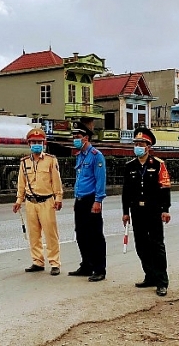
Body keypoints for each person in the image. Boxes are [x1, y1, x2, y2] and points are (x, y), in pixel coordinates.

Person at [122, 127, 172, 296]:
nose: (138, 146)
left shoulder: (158, 164)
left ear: (148, 146)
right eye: (135, 143)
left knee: (157, 245)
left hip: (154, 210)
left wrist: (165, 210)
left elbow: (165, 188)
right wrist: (125, 212)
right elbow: (126, 192)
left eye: (141, 143)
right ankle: (149, 275)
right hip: (137, 211)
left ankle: (161, 281)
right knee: (141, 245)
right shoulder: (130, 166)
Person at [13, 128, 64, 276]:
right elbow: (21, 183)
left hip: (47, 201)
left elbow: (56, 181)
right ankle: (37, 261)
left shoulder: (50, 160)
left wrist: (58, 198)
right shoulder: (24, 162)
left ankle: (55, 263)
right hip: (30, 202)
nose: (37, 145)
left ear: (44, 143)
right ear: (29, 144)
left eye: (39, 142)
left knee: (50, 234)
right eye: (34, 142)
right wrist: (18, 200)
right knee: (34, 235)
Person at [67, 121, 107, 282]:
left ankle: (99, 269)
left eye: (78, 137)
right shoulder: (80, 156)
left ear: (86, 138)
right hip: (80, 200)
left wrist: (98, 201)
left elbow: (100, 180)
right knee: (81, 234)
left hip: (92, 200)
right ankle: (86, 265)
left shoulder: (96, 156)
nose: (75, 139)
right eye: (74, 137)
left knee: (95, 236)